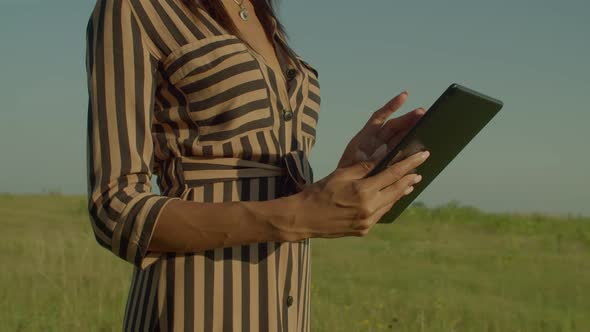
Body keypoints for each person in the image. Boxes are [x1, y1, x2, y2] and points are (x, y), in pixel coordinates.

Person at [84, 0, 429, 330]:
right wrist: (299, 215)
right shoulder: (135, 7)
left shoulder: (265, 20)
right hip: (197, 305)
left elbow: (282, 197)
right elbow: (115, 208)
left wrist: (344, 177)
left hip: (286, 306)